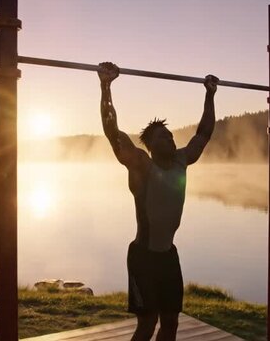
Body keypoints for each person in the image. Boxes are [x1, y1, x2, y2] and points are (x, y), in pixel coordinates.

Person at [98, 62, 219, 341]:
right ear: (150, 145)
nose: (171, 139)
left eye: (171, 135)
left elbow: (203, 134)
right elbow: (112, 133)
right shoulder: (141, 166)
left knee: (171, 322)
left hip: (168, 257)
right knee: (147, 323)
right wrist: (106, 87)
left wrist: (210, 95)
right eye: (164, 136)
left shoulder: (181, 161)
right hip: (143, 258)